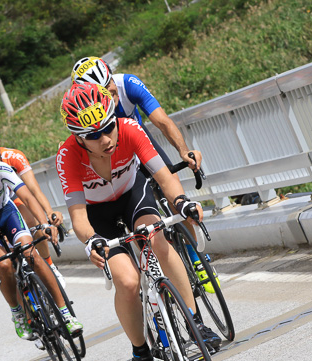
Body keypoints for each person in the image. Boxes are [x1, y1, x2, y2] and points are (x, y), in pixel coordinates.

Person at [56, 82, 221, 361]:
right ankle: (141, 353)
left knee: (158, 239)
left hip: (134, 196)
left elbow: (163, 177)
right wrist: (91, 240)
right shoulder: (67, 155)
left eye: (108, 128)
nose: (105, 140)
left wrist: (183, 202)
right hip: (99, 216)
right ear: (78, 137)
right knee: (128, 283)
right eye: (93, 136)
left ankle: (195, 322)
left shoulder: (130, 129)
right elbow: (78, 216)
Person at [71, 56, 217, 293]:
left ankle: (197, 257)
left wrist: (183, 150)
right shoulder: (85, 109)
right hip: (113, 161)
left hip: (139, 144)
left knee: (173, 187)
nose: (110, 96)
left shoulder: (127, 84)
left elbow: (161, 121)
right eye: (102, 93)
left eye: (110, 88)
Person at [0, 133, 83, 344]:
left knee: (32, 254)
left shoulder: (0, 169)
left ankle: (65, 313)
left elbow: (27, 196)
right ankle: (17, 311)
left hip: (6, 214)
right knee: (4, 265)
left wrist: (44, 223)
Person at [0, 121, 66, 286]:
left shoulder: (13, 157)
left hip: (14, 197)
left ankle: (50, 265)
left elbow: (34, 189)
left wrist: (48, 212)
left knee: (34, 221)